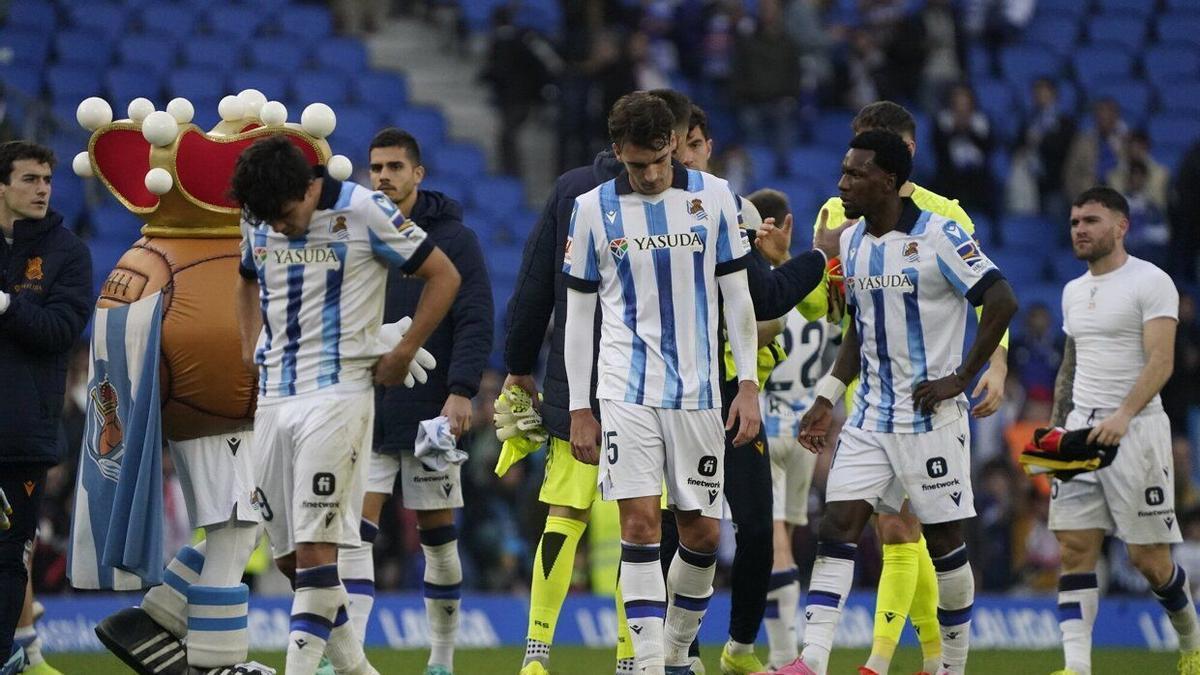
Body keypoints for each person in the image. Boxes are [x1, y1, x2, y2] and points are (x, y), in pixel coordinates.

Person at [759, 101, 1010, 675]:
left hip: (930, 419)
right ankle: (812, 660)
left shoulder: (943, 232)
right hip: (871, 416)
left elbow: (1001, 300)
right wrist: (826, 397)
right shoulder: (851, 244)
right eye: (843, 171)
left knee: (944, 542)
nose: (841, 183)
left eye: (854, 174)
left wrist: (962, 376)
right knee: (836, 528)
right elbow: (855, 330)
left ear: (891, 179)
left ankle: (951, 665)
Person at [230, 135, 460, 675]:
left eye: (286, 216)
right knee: (289, 559)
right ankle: (357, 670)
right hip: (275, 398)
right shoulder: (259, 213)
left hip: (338, 398)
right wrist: (248, 346)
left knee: (316, 554)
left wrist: (404, 351)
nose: (280, 227)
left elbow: (444, 275)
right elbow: (244, 279)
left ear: (309, 188)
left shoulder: (362, 209)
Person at [563, 91, 761, 675]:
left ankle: (676, 651)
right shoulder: (592, 209)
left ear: (673, 144)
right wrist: (580, 406)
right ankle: (650, 663)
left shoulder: (715, 198)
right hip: (625, 387)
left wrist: (746, 383)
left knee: (701, 533)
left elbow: (738, 297)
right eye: (635, 164)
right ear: (616, 152)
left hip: (700, 391)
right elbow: (578, 315)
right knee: (641, 525)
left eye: (657, 160)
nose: (648, 175)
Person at [338, 128, 493, 675]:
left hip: (431, 410)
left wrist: (460, 390)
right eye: (376, 167)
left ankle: (442, 660)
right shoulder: (353, 234)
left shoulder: (454, 239)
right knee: (354, 532)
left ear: (418, 173)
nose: (383, 176)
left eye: (394, 167)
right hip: (367, 406)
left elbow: (475, 318)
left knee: (437, 538)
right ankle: (349, 659)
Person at [1046, 186, 1200, 675]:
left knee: (1148, 560)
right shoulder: (1073, 291)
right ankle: (1077, 667)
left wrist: (1123, 415)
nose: (1080, 230)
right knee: (1074, 549)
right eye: (1074, 223)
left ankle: (1192, 641)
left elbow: (1162, 360)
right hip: (1079, 430)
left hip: (1136, 431)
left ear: (1121, 226)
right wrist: (1055, 428)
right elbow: (1070, 365)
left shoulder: (1151, 281)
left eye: (1091, 221)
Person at [0, 141, 91, 675]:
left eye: (46, 180)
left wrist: (7, 305)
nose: (41, 190)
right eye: (30, 179)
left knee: (10, 557)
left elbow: (61, 330)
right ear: (2, 185)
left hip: (21, 438)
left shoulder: (66, 253)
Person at [745, 188, 832, 671]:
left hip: (766, 422)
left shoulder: (752, 284)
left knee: (775, 541)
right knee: (791, 537)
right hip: (805, 430)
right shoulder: (814, 286)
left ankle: (783, 655)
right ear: (789, 225)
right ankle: (792, 648)